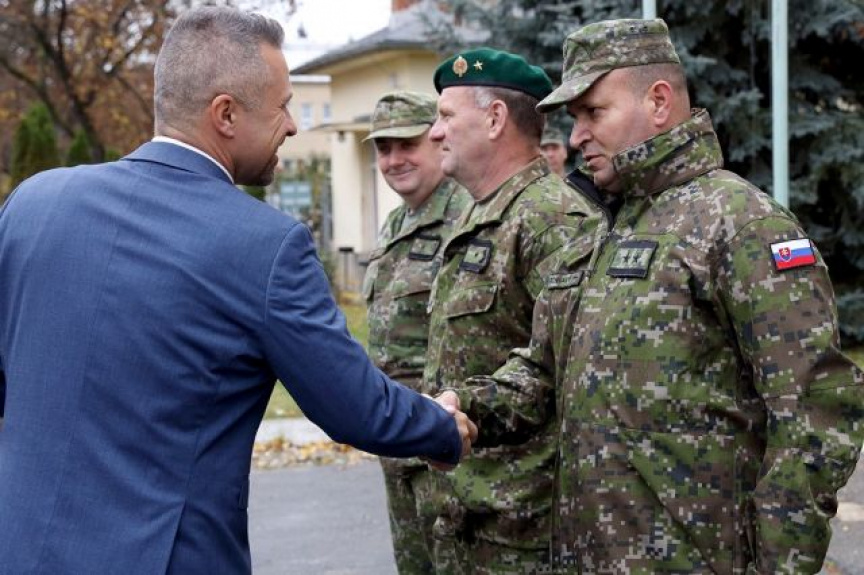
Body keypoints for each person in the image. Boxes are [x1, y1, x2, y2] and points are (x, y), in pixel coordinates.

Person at [0, 7, 477, 575]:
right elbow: (356, 408)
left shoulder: (32, 203)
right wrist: (441, 427)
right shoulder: (265, 244)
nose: (293, 126)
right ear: (225, 113)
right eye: (282, 106)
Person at [447, 18, 864, 574]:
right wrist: (460, 409)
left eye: (594, 113)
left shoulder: (739, 224)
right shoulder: (600, 232)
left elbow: (815, 413)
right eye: (574, 119)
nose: (576, 137)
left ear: (659, 101)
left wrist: (781, 565)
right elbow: (544, 374)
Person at [421, 48, 601, 574]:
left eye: (446, 116)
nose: (434, 132)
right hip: (467, 516)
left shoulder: (552, 220)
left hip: (524, 532)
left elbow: (566, 373)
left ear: (495, 119)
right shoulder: (481, 216)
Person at [361, 91, 471, 574]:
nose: (394, 160)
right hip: (398, 443)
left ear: (436, 140)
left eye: (407, 145)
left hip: (446, 448)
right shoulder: (394, 223)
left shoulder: (465, 217)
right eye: (383, 149)